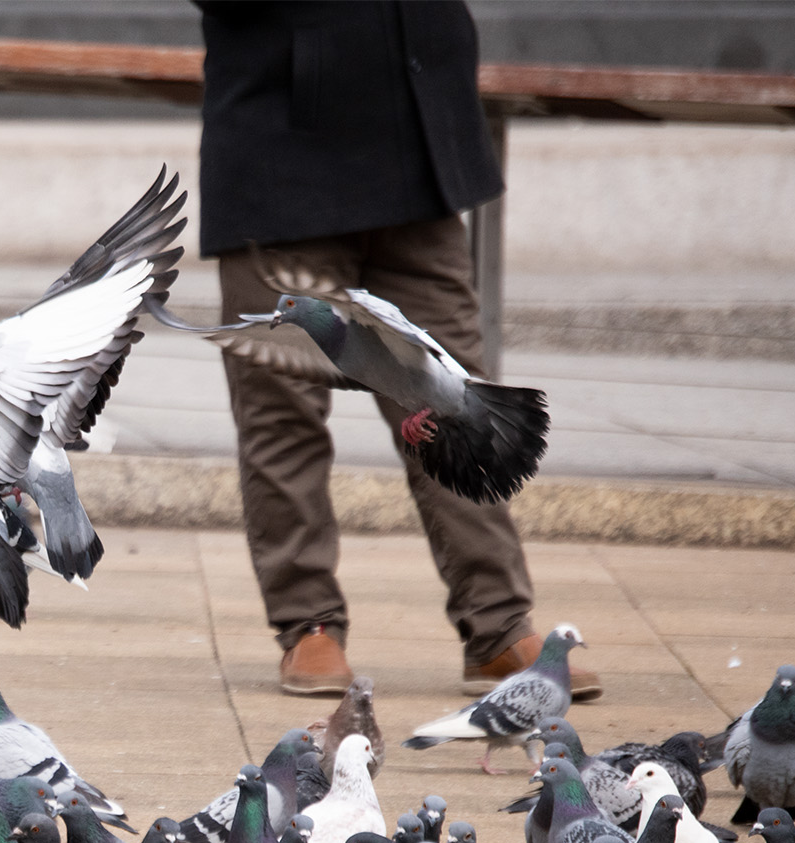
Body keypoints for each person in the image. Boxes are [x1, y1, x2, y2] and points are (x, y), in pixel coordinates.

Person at [196, 1, 599, 700]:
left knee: (459, 404)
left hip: (420, 142)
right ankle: (308, 624)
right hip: (281, 144)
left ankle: (499, 627)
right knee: (283, 413)